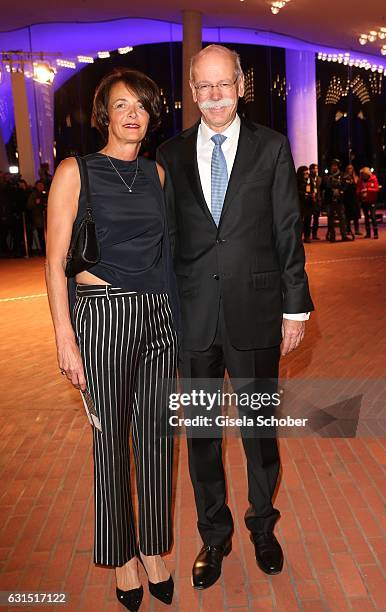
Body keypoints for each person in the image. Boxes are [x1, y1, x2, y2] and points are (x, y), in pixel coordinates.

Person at [157, 44, 314, 590]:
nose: (215, 95)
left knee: (259, 433)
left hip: (256, 315)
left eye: (224, 83)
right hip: (193, 320)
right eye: (204, 86)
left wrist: (295, 309)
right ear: (193, 91)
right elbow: (167, 240)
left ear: (241, 85)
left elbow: (286, 231)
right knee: (201, 434)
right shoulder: (169, 155)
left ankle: (262, 526)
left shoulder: (271, 148)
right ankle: (214, 534)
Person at [45, 68, 180, 612]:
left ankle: (154, 549)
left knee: (155, 441)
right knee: (110, 443)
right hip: (101, 316)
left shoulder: (157, 175)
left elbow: (168, 253)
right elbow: (54, 261)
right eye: (121, 105)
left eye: (141, 106)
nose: (132, 114)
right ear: (105, 114)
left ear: (150, 117)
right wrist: (64, 337)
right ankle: (122, 557)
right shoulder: (76, 170)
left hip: (157, 317)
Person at [321, 159, 351, 242]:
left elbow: (345, 186)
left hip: (339, 200)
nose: (333, 167)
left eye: (335, 165)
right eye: (332, 165)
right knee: (330, 219)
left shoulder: (342, 175)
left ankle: (344, 235)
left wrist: (340, 190)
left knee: (342, 218)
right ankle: (332, 236)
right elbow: (324, 186)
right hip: (330, 200)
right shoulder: (327, 176)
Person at [357, 167, 380, 239]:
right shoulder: (360, 181)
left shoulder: (373, 179)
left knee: (373, 217)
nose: (363, 175)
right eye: (362, 174)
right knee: (366, 217)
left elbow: (376, 189)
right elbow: (358, 190)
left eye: (364, 174)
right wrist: (360, 192)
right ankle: (368, 233)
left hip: (372, 201)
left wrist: (367, 189)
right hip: (364, 201)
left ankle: (375, 233)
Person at [26, 180, 47, 255]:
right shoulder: (34, 194)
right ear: (36, 186)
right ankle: (43, 251)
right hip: (39, 218)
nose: (41, 187)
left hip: (46, 218)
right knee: (41, 235)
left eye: (42, 185)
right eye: (39, 185)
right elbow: (29, 206)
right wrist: (35, 202)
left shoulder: (46, 193)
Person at [297, 165, 314, 243]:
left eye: (307, 172)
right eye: (305, 173)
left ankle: (307, 237)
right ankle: (298, 237)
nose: (307, 174)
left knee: (308, 221)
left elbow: (312, 189)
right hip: (300, 204)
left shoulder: (310, 180)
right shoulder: (296, 180)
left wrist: (313, 194)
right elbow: (295, 191)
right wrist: (305, 194)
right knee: (299, 221)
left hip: (308, 204)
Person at [343, 164, 361, 236]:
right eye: (348, 168)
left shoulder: (356, 177)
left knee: (356, 215)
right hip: (347, 198)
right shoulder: (344, 177)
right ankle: (348, 230)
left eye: (351, 168)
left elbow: (358, 186)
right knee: (348, 216)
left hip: (355, 198)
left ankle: (357, 230)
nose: (350, 170)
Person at [309, 163, 322, 240]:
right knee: (308, 219)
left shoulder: (319, 179)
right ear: (310, 170)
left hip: (318, 201)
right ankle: (307, 235)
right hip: (310, 201)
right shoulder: (308, 178)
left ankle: (314, 234)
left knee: (316, 219)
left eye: (316, 168)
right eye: (314, 168)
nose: (315, 170)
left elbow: (321, 189)